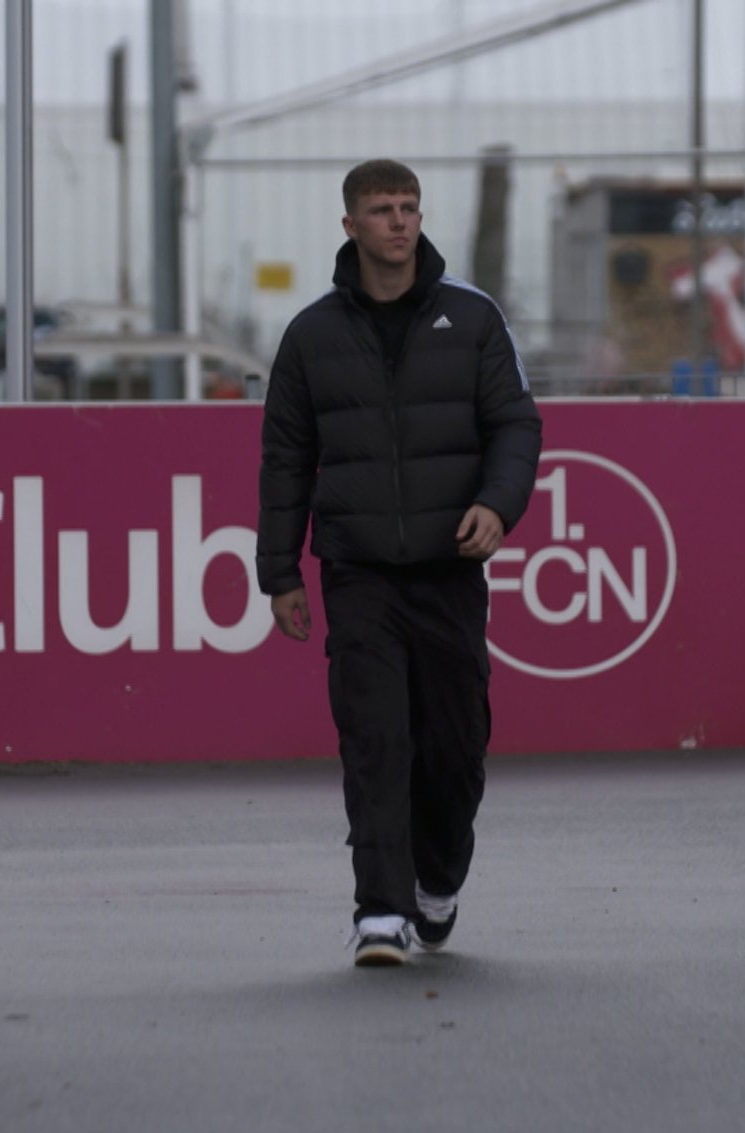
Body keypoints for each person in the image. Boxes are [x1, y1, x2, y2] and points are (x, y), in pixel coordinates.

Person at [256, 158, 542, 968]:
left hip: (450, 571)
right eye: (381, 209)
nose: (399, 221)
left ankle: (436, 880)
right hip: (359, 575)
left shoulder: (475, 319)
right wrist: (278, 571)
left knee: (454, 747)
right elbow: (284, 458)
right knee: (376, 739)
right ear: (349, 225)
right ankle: (379, 911)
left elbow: (517, 426)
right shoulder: (310, 336)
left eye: (409, 207)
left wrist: (498, 503)